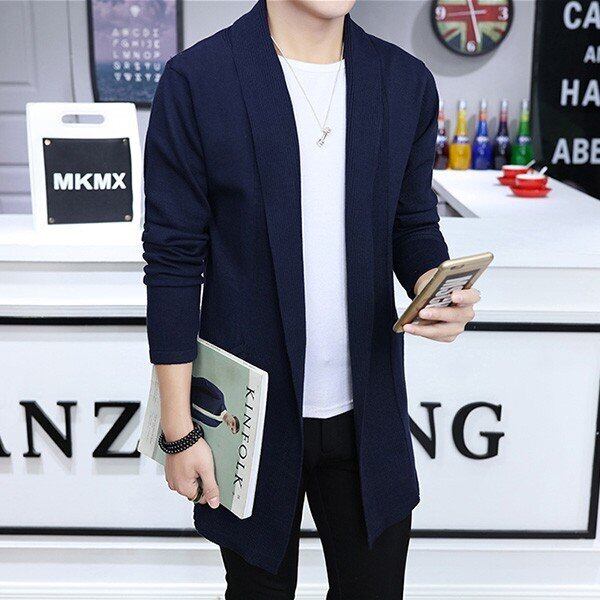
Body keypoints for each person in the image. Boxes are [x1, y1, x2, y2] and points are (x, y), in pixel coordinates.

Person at [142, 0, 480, 597]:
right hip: (248, 417)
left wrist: (435, 284)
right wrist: (180, 432)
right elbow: (173, 263)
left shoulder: (403, 81)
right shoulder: (199, 81)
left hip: (368, 413)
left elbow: (411, 223)